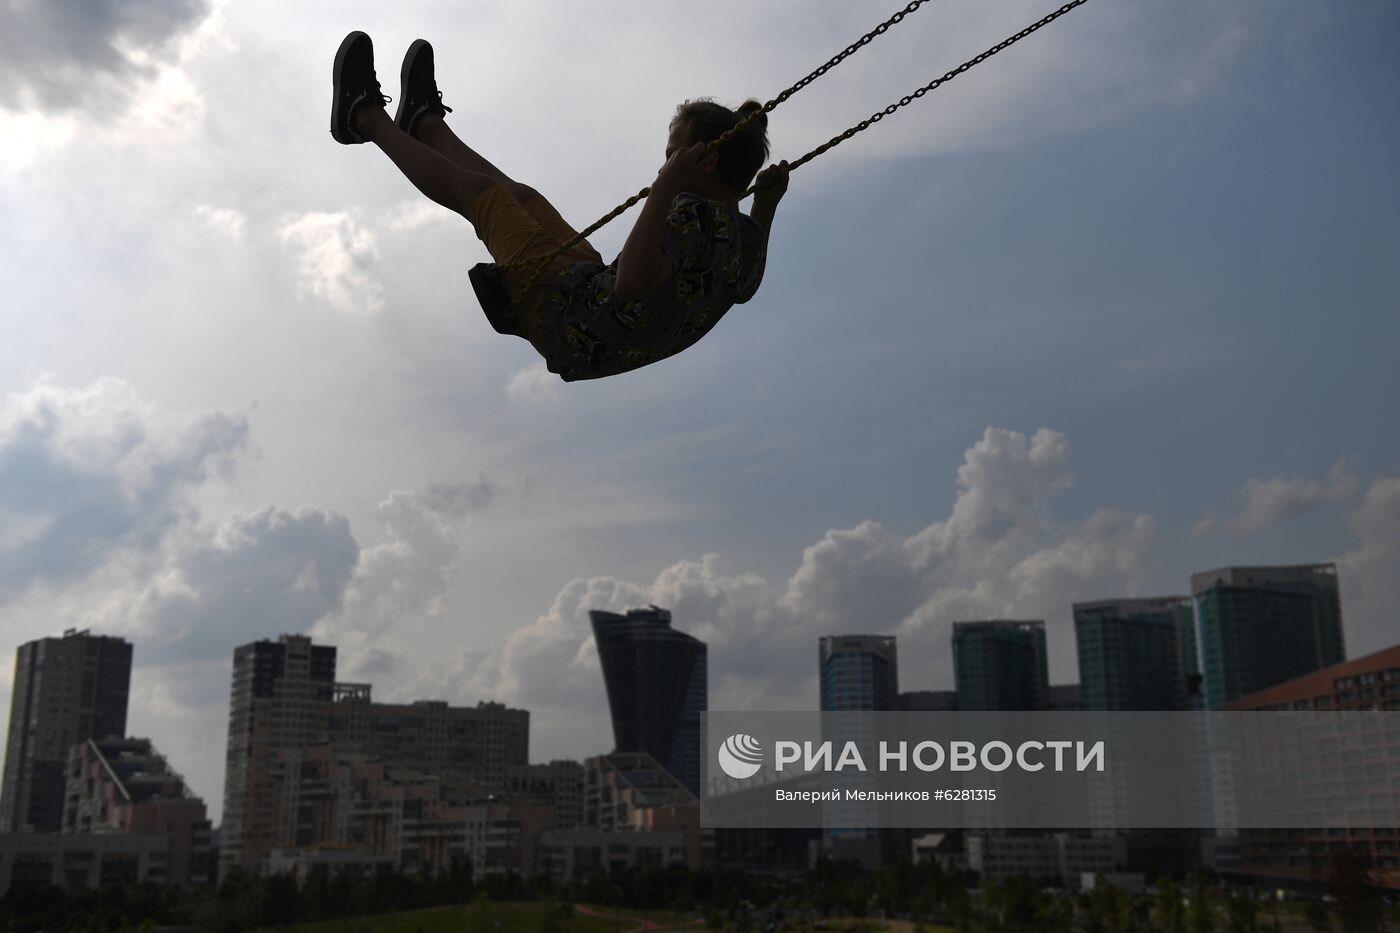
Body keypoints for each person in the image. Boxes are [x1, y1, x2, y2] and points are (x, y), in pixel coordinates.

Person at [330, 31, 789, 381]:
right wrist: (765, 206)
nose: (665, 165)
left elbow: (631, 283)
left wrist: (665, 187)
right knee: (523, 199)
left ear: (704, 161)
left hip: (567, 318)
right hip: (586, 293)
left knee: (484, 199)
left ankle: (363, 115)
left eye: (673, 155)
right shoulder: (740, 239)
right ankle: (425, 125)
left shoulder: (692, 216)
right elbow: (747, 281)